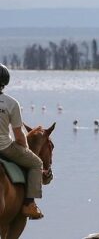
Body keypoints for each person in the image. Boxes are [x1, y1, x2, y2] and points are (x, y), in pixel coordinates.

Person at [0, 63, 44, 219]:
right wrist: (25, 149)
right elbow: (19, 135)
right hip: (5, 147)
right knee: (36, 163)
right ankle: (29, 205)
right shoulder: (11, 103)